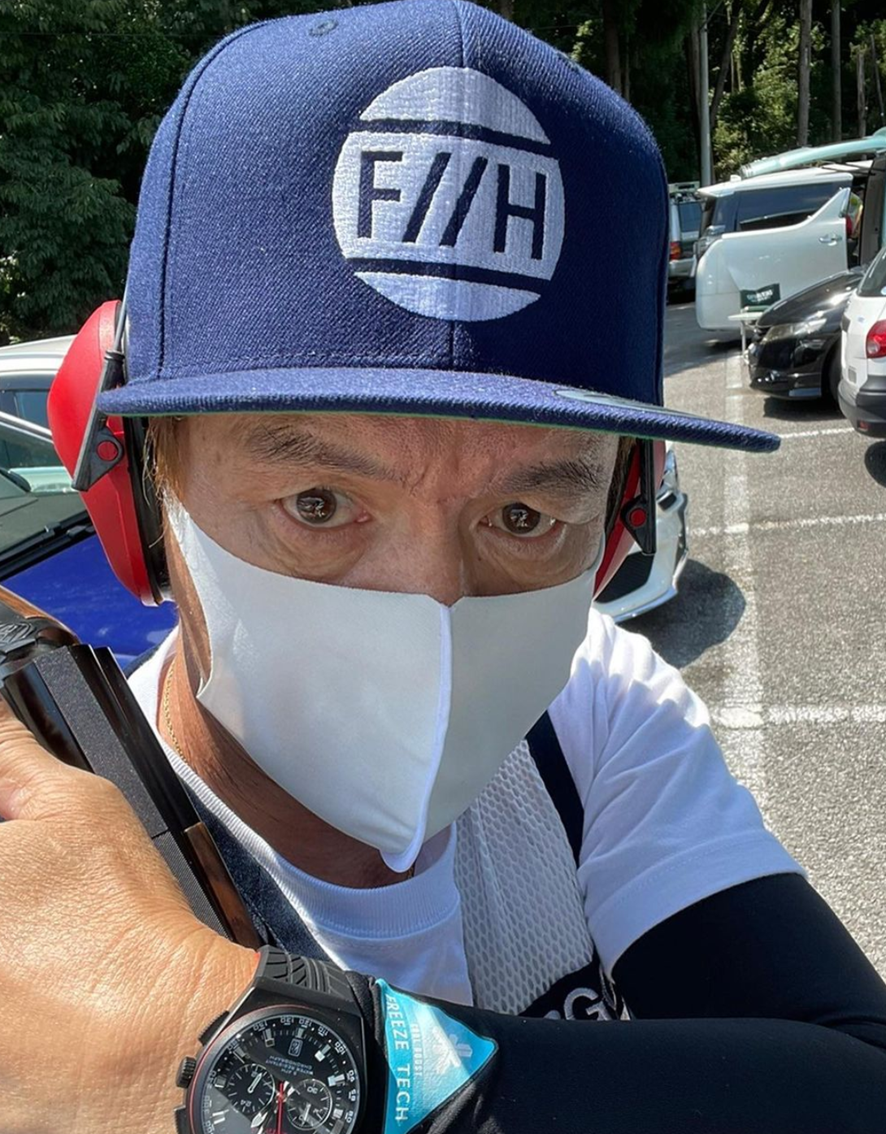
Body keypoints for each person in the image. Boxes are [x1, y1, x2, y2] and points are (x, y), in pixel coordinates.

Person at [1, 3, 885, 1132]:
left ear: (615, 520)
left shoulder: (590, 711)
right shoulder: (55, 899)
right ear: (142, 494)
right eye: (318, 503)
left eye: (523, 514)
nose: (428, 607)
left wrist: (226, 1045)